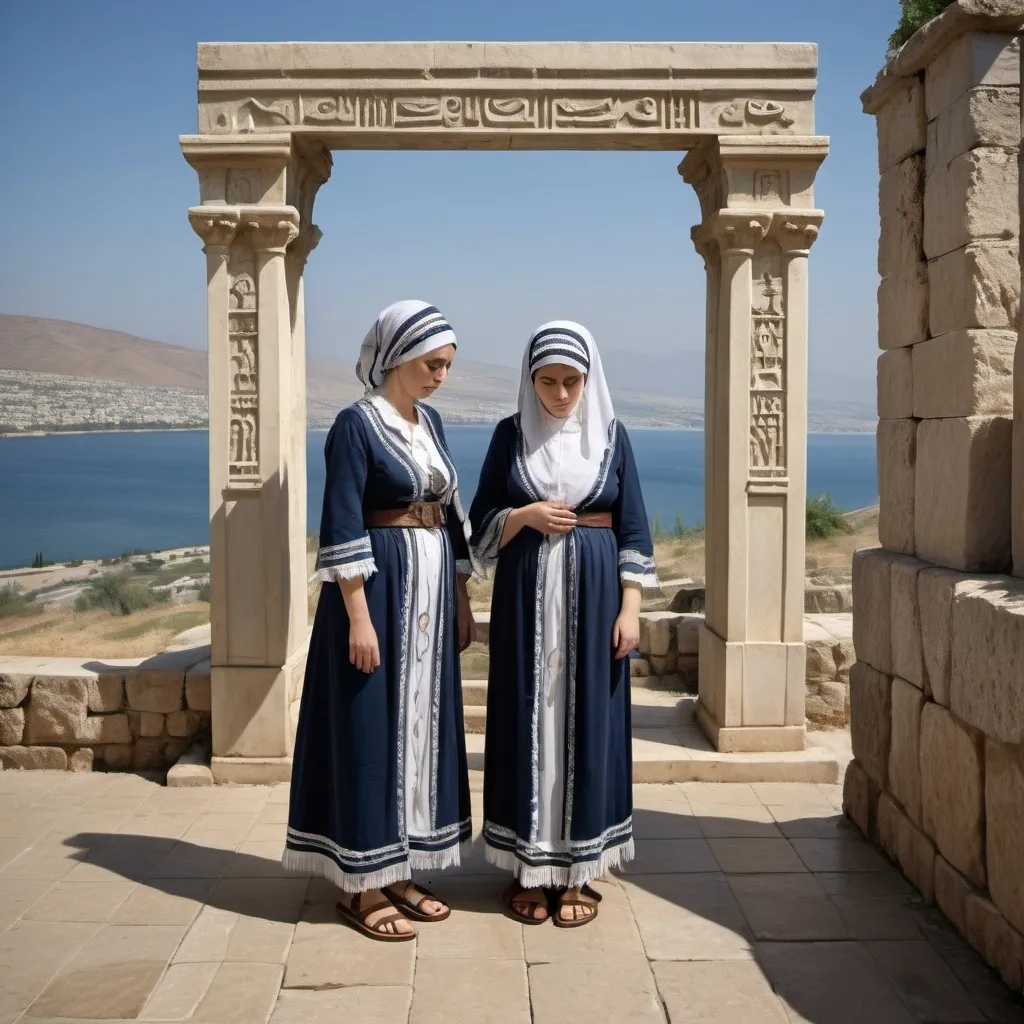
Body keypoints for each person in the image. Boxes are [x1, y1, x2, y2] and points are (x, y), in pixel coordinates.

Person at [283, 300, 474, 942]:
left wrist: (464, 600)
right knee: (370, 733)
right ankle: (361, 884)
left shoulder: (433, 422)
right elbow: (341, 524)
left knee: (417, 732)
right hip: (376, 601)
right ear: (396, 355)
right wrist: (358, 620)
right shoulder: (355, 426)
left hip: (429, 604)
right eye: (431, 363)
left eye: (447, 365)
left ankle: (401, 866)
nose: (440, 376)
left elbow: (450, 514)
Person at [469, 321, 657, 927]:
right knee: (528, 715)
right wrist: (524, 515)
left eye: (570, 381)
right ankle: (530, 867)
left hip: (599, 597)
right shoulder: (509, 436)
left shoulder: (611, 436)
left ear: (588, 377)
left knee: (589, 721)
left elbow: (633, 528)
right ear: (529, 380)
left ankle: (579, 870)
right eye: (546, 381)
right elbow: (481, 523)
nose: (559, 394)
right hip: (525, 597)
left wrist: (630, 608)